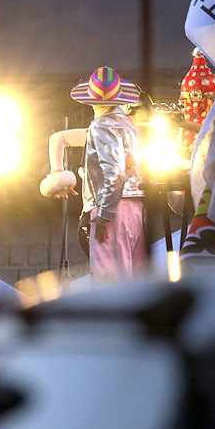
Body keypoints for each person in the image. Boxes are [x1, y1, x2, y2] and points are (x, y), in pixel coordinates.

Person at [42, 66, 147, 280]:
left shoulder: (101, 127)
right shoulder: (128, 127)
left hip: (110, 209)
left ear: (91, 101)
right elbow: (59, 138)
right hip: (135, 208)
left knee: (109, 282)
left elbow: (115, 174)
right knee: (133, 280)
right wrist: (58, 176)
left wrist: (105, 216)